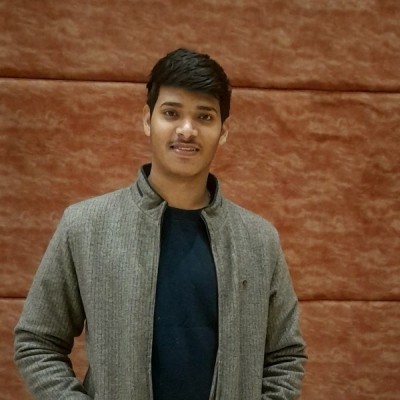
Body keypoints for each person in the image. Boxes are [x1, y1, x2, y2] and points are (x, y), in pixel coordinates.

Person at [14, 48, 307, 400]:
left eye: (204, 116)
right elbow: (37, 341)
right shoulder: (85, 226)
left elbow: (285, 356)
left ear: (223, 131)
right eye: (171, 113)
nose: (187, 130)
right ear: (146, 120)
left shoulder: (258, 241)